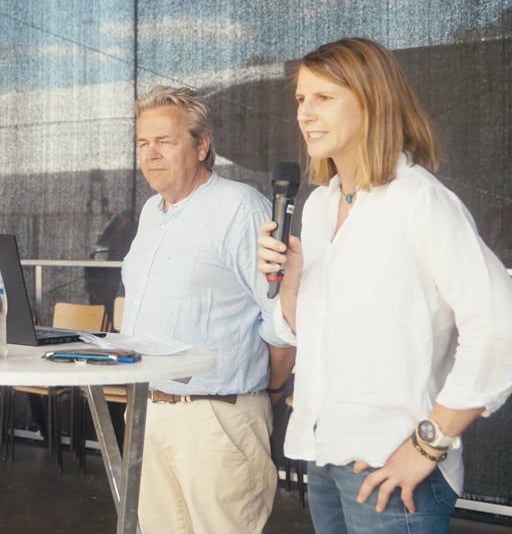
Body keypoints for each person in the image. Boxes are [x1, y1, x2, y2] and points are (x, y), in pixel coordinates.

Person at [258, 38, 512, 533]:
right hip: (324, 457)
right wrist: (289, 282)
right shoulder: (318, 206)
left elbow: (500, 327)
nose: (305, 114)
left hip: (392, 468)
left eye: (323, 98)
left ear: (372, 100)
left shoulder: (419, 202)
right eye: (300, 100)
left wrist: (428, 445)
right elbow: (308, 332)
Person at [120, 86, 294, 534]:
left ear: (202, 145)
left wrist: (265, 394)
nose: (151, 154)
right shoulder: (151, 213)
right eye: (143, 143)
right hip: (148, 412)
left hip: (216, 418)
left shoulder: (240, 207)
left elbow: (282, 319)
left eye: (165, 141)